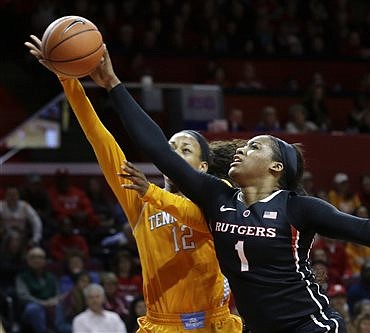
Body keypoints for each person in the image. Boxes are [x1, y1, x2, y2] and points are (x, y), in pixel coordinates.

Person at [63, 43, 370, 333]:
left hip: (309, 325)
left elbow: (365, 229)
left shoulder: (299, 208)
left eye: (255, 146)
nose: (243, 148)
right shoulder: (216, 198)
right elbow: (157, 150)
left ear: (276, 167)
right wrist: (113, 84)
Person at [25, 37, 242, 332]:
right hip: (161, 324)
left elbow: (193, 215)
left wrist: (150, 191)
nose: (171, 155)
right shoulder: (139, 199)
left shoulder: (217, 197)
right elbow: (100, 139)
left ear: (203, 167)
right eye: (169, 147)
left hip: (214, 323)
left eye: (184, 150)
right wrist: (68, 79)